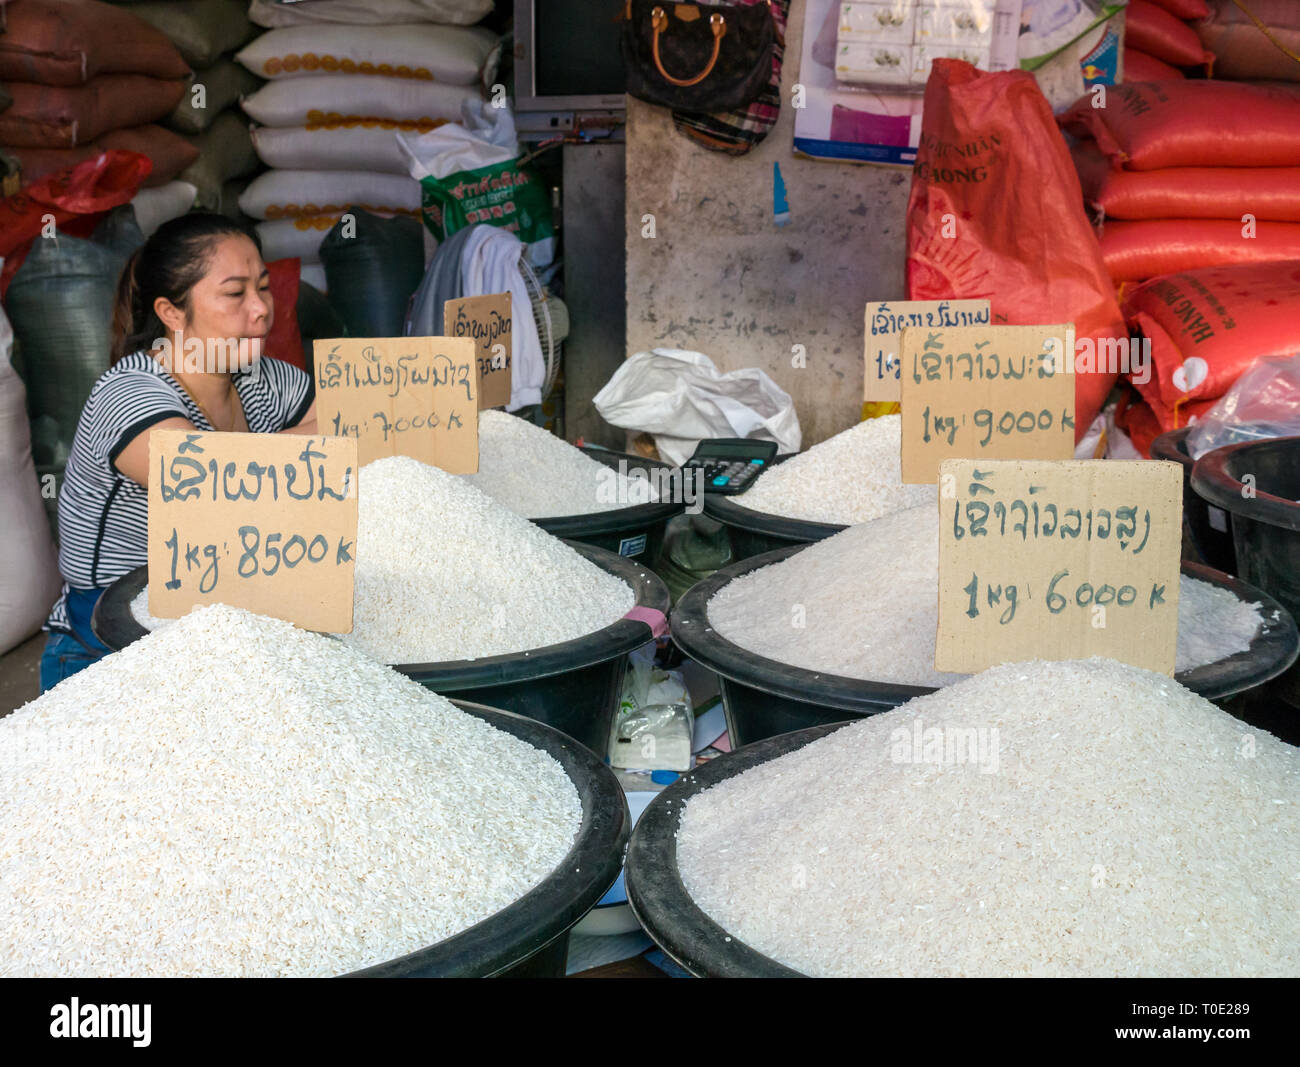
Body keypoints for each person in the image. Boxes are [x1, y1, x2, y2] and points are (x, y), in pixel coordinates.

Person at [40, 213, 317, 692]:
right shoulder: (127, 392)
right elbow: (213, 482)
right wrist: (325, 443)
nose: (261, 310)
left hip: (223, 618)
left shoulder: (263, 379)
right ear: (171, 313)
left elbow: (368, 428)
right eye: (235, 293)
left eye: (265, 287)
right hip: (106, 644)